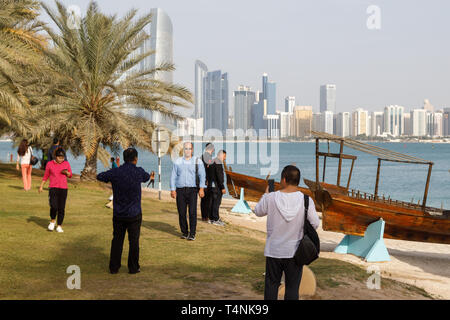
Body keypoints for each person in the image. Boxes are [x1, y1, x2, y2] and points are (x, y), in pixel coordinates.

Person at [254, 165, 320, 300]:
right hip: (295, 252)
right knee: (292, 288)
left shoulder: (271, 197)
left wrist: (265, 194)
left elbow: (258, 211)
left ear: (283, 179)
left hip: (274, 250)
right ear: (298, 181)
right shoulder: (306, 200)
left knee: (271, 286)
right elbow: (315, 224)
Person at [97, 148, 150, 274]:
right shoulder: (138, 171)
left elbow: (100, 176)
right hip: (134, 213)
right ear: (136, 159)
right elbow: (147, 177)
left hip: (119, 213)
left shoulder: (116, 172)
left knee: (117, 240)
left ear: (124, 158)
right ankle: (133, 267)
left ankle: (114, 267)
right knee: (134, 242)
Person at [170, 142, 206, 241]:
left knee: (192, 213)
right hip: (180, 190)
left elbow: (202, 175)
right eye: (186, 148)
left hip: (192, 190)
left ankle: (192, 234)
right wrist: (172, 189)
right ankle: (185, 232)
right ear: (183, 150)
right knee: (181, 212)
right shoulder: (177, 161)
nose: (187, 151)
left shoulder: (197, 161)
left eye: (189, 148)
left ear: (192, 149)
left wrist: (202, 188)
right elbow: (173, 176)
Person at [39, 148, 73, 233]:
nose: (61, 159)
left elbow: (70, 175)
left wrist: (67, 173)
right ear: (55, 156)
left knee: (61, 208)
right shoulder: (50, 164)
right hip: (53, 188)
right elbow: (46, 176)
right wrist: (41, 186)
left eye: (63, 157)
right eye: (60, 157)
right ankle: (52, 221)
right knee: (53, 206)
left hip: (63, 189)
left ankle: (59, 226)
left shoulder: (66, 163)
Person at [207, 150, 227, 226]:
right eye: (224, 156)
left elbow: (208, 173)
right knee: (216, 202)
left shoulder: (212, 161)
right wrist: (222, 187)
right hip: (217, 186)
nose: (224, 158)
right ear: (221, 155)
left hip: (211, 185)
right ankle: (215, 219)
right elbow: (219, 176)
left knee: (212, 202)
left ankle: (211, 218)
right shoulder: (218, 162)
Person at [200, 143, 214, 221]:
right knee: (207, 200)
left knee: (203, 200)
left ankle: (204, 216)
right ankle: (206, 216)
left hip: (203, 181)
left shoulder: (201, 157)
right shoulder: (208, 157)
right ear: (212, 149)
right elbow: (208, 170)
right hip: (206, 181)